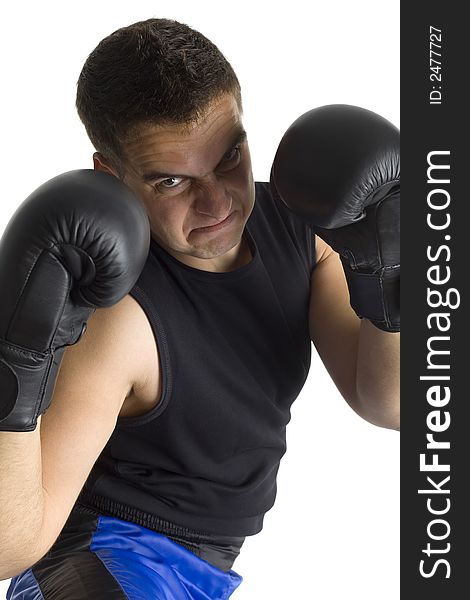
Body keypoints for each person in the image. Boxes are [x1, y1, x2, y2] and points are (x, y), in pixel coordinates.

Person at [1, 17, 400, 599]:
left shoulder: (299, 230)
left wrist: (393, 280)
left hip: (204, 571)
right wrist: (14, 363)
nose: (217, 202)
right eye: (171, 181)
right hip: (102, 562)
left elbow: (388, 402)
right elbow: (14, 546)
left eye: (229, 156)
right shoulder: (120, 318)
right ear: (110, 176)